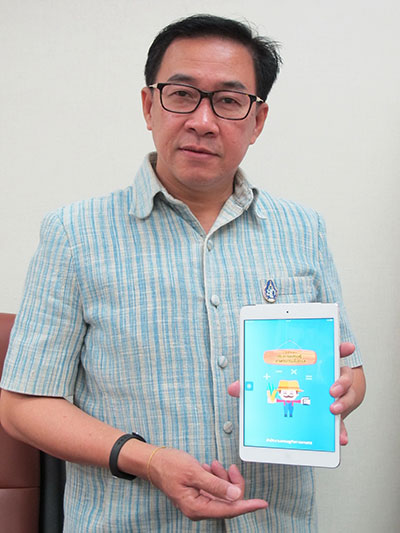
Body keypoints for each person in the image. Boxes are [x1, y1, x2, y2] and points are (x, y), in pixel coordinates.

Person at [0, 14, 365, 532]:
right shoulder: (74, 233)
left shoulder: (303, 230)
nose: (203, 121)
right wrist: (147, 460)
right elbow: (22, 405)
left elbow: (351, 372)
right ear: (149, 106)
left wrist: (344, 391)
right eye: (182, 95)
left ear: (258, 120)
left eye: (229, 101)